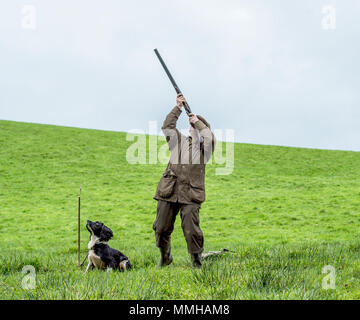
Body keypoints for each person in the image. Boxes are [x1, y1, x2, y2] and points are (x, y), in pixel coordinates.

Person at [153, 93, 216, 268]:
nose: (191, 129)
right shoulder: (179, 141)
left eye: (194, 128)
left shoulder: (206, 149)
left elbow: (210, 137)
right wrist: (178, 107)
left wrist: (197, 121)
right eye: (190, 127)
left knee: (191, 230)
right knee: (161, 227)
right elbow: (167, 126)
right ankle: (165, 258)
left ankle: (196, 261)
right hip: (169, 189)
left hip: (191, 194)